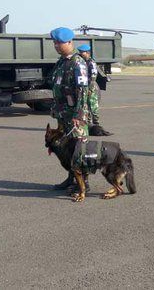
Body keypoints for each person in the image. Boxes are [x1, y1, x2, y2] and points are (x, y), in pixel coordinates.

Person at [50, 27, 90, 190]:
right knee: (67, 148)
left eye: (59, 43)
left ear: (69, 42)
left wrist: (78, 114)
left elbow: (82, 90)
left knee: (79, 148)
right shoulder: (61, 62)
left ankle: (84, 182)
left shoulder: (77, 62)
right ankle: (71, 178)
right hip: (63, 113)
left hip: (75, 114)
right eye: (55, 43)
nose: (56, 46)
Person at [77, 43, 112, 135]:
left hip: (90, 88)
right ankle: (89, 125)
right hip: (85, 88)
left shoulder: (91, 63)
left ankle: (97, 125)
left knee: (93, 107)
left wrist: (89, 89)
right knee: (86, 107)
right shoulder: (82, 62)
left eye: (82, 52)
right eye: (80, 52)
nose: (80, 53)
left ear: (87, 52)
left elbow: (93, 77)